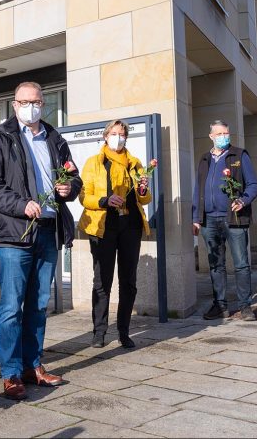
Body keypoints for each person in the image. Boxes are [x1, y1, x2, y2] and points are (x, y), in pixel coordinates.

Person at [0, 82, 81, 401]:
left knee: (38, 304)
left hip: (48, 229)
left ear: (43, 103)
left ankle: (32, 366)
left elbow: (74, 177)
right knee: (11, 306)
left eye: (36, 102)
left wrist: (69, 189)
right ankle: (10, 373)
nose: (31, 107)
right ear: (14, 103)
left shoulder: (54, 137)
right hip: (13, 232)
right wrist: (20, 204)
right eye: (24, 102)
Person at [78, 120, 152, 349]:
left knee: (128, 281)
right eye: (113, 133)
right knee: (102, 281)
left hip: (130, 226)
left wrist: (142, 189)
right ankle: (99, 332)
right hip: (103, 227)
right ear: (105, 136)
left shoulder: (135, 163)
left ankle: (124, 331)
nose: (118, 137)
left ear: (126, 138)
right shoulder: (94, 163)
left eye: (122, 134)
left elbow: (145, 198)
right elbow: (83, 196)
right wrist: (104, 200)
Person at [193, 120, 257, 321]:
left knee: (241, 264)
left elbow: (254, 185)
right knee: (215, 265)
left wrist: (243, 200)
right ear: (211, 136)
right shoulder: (204, 159)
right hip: (209, 220)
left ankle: (245, 306)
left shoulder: (239, 155)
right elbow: (198, 190)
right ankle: (219, 305)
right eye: (220, 133)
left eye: (226, 133)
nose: (224, 136)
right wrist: (196, 217)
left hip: (235, 218)